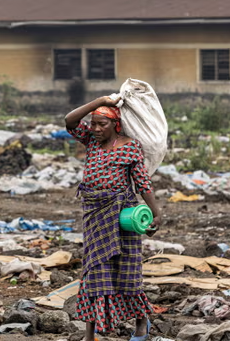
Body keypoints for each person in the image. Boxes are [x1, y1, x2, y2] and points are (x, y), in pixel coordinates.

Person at [64, 96, 162, 341]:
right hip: (94, 214)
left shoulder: (130, 147)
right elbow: (70, 120)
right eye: (93, 123)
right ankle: (90, 334)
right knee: (94, 270)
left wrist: (156, 213)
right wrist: (98, 101)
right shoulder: (91, 141)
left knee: (127, 270)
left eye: (102, 124)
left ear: (115, 125)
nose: (96, 129)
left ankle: (141, 322)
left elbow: (142, 182)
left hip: (122, 213)